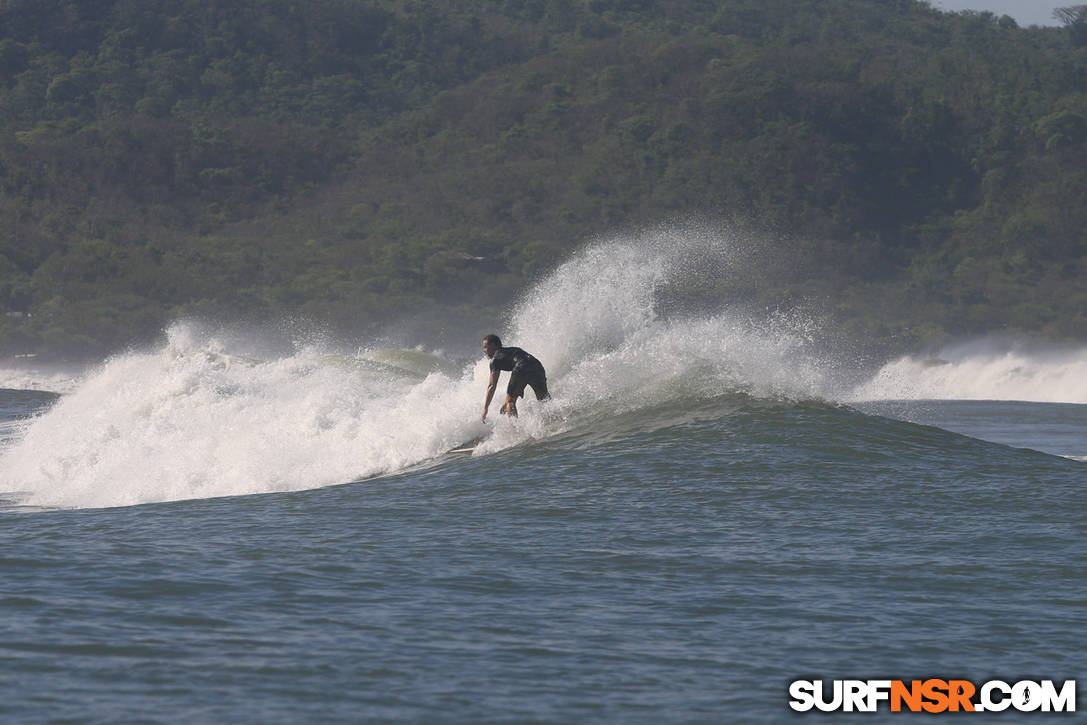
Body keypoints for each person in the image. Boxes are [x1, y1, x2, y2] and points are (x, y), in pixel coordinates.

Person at [481, 334, 549, 422]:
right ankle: (555, 419)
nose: (484, 351)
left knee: (510, 403)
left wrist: (485, 409)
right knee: (544, 399)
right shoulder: (513, 350)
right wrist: (507, 401)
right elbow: (525, 364)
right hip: (537, 367)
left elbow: (491, 386)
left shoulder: (495, 360)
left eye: (486, 347)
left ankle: (515, 432)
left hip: (521, 367)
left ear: (494, 345)